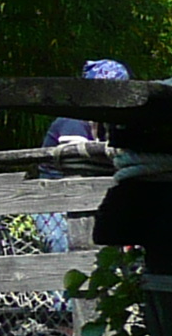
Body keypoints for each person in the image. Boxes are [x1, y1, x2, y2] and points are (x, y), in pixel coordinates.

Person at [35, 57, 130, 252]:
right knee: (63, 248)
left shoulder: (108, 125)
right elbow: (81, 165)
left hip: (93, 198)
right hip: (54, 201)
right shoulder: (73, 120)